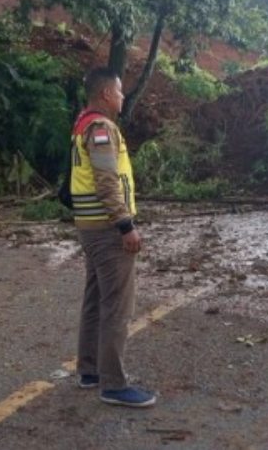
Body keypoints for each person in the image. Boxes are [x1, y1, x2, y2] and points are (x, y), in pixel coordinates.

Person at [68, 67, 156, 408]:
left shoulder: (83, 123)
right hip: (106, 230)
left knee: (95, 298)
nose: (123, 97)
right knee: (117, 305)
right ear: (106, 94)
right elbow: (106, 181)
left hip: (90, 227)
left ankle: (89, 370)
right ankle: (114, 385)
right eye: (119, 92)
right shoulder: (102, 128)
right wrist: (125, 225)